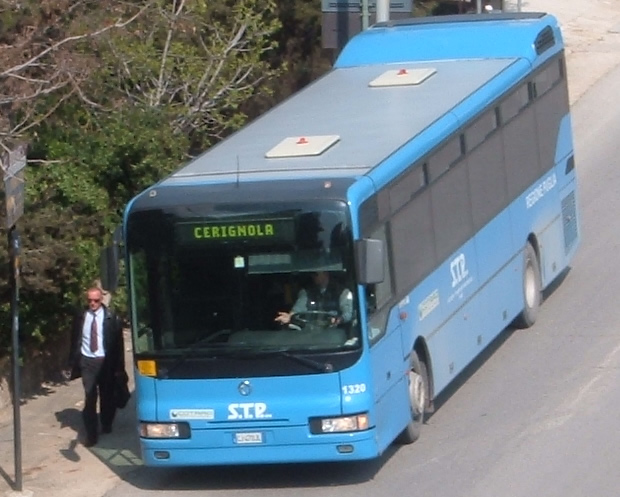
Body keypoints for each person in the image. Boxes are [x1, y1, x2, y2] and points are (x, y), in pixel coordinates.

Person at [66, 286, 125, 447]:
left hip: (105, 361)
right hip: (87, 362)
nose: (93, 303)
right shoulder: (81, 316)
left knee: (107, 396)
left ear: (101, 300)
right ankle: (91, 434)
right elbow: (75, 339)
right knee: (90, 397)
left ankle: (106, 423)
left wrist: (119, 368)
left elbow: (118, 346)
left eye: (96, 300)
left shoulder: (111, 318)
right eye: (90, 300)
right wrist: (72, 362)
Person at [275, 271, 353, 327]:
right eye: (311, 274)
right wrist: (290, 316)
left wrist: (338, 320)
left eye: (315, 274)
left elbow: (348, 314)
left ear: (325, 274)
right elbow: (299, 307)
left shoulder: (342, 292)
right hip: (310, 333)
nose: (313, 277)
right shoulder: (306, 292)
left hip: (335, 334)